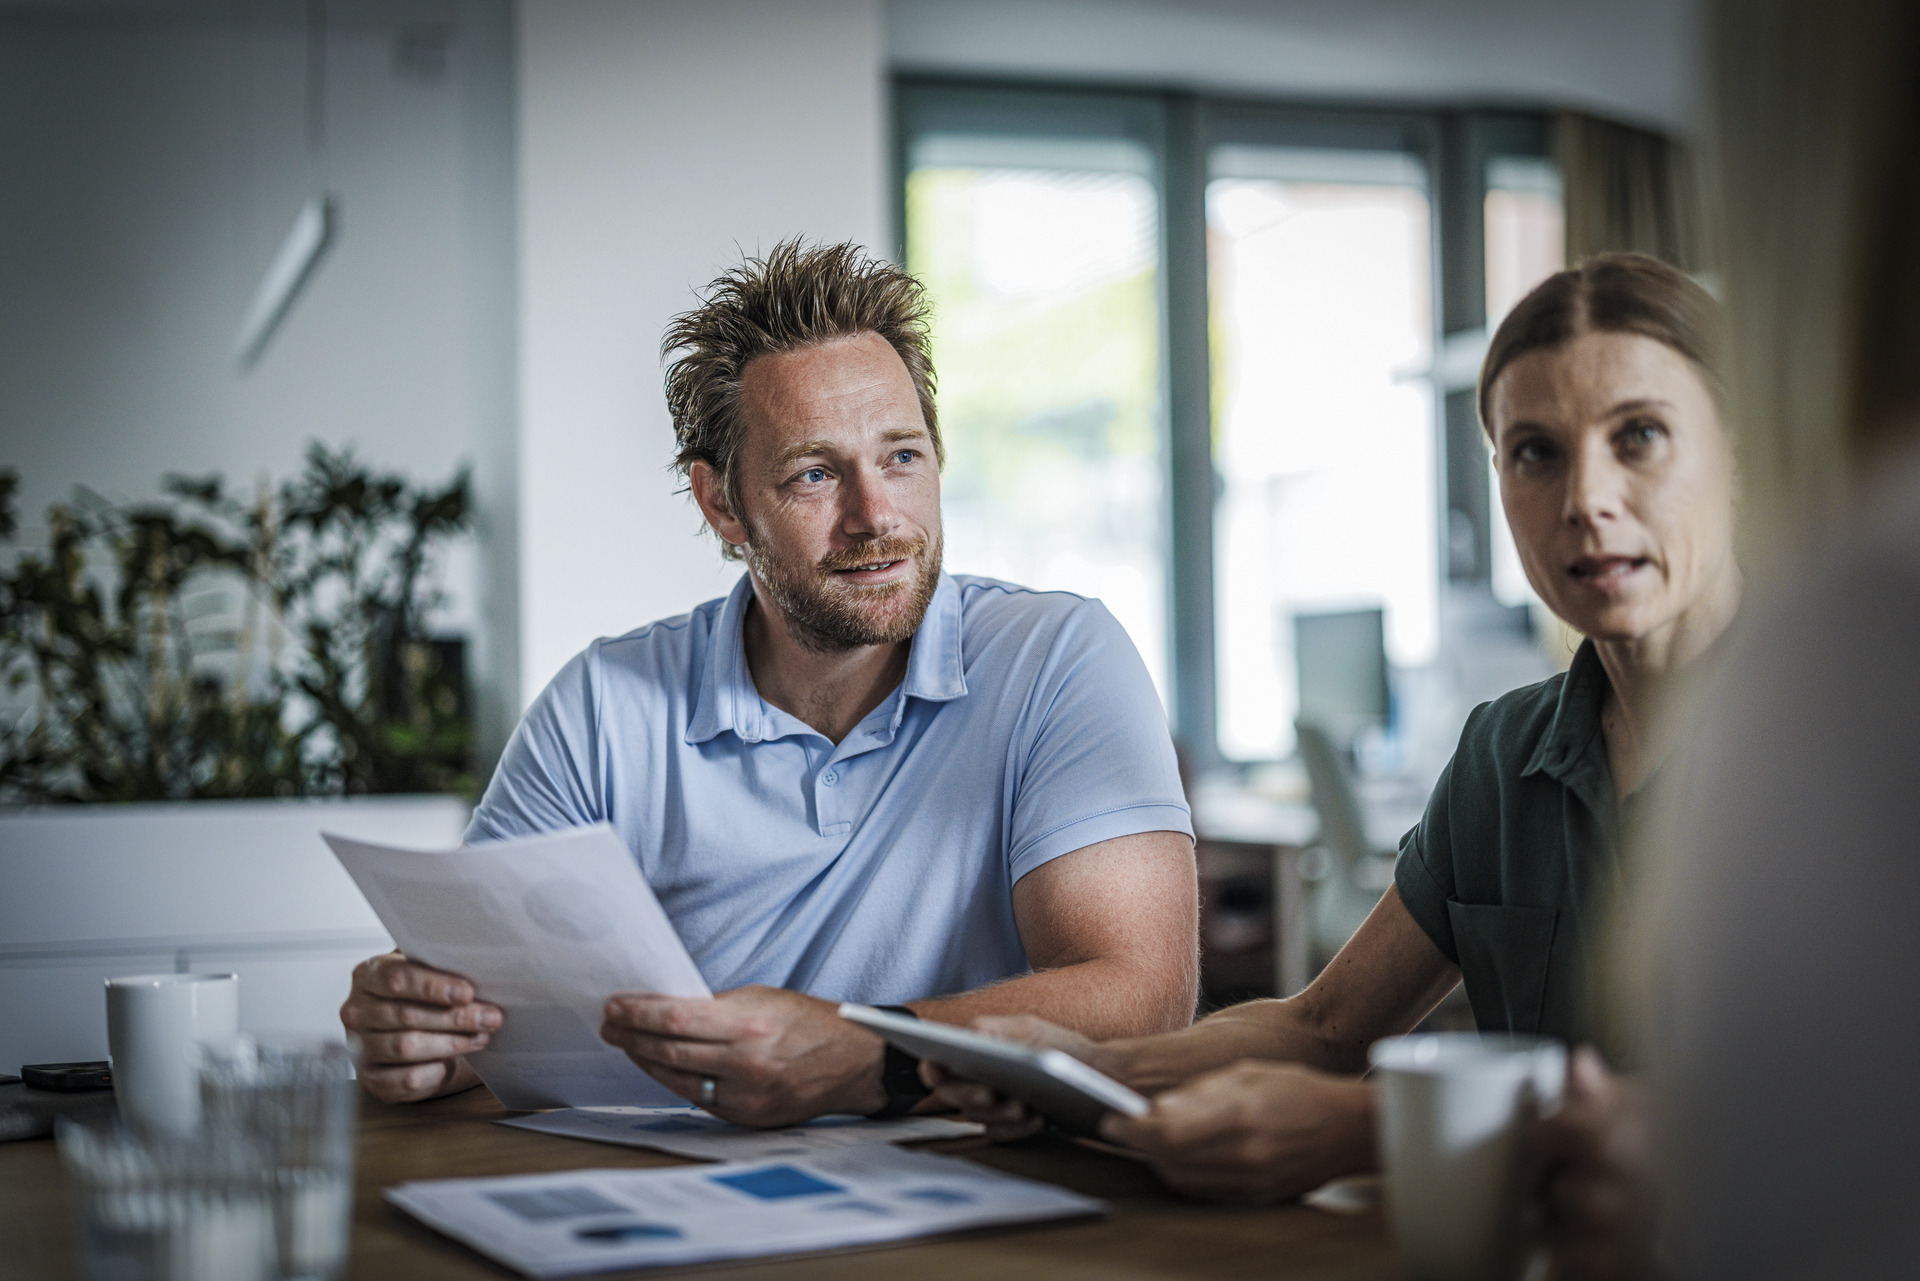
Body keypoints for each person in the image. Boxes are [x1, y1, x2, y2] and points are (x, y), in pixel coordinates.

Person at [933, 252, 1740, 1214]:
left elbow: (1812, 1102)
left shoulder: (1855, 739)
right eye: (1536, 452)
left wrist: (1364, 1128)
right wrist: (1090, 1062)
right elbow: (1324, 1027)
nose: (1584, 500)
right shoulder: (1504, 755)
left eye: (1639, 436)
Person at [339, 239, 1200, 1127]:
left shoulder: (1058, 658)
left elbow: (1142, 998)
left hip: (969, 1189)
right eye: (815, 474)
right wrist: (423, 1041)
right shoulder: (602, 705)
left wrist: (872, 1052)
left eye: (902, 456)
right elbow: (481, 1012)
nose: (876, 516)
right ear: (722, 504)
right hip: (678, 1202)